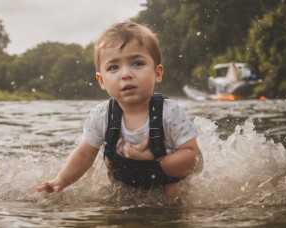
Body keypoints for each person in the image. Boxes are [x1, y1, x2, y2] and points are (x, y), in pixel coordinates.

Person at [37, 22, 202, 199]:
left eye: (137, 63)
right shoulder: (102, 116)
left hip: (166, 184)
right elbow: (84, 154)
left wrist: (154, 163)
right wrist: (61, 180)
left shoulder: (169, 112)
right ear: (101, 81)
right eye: (113, 67)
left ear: (157, 73)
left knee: (173, 196)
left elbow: (195, 159)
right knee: (114, 200)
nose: (126, 74)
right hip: (123, 188)